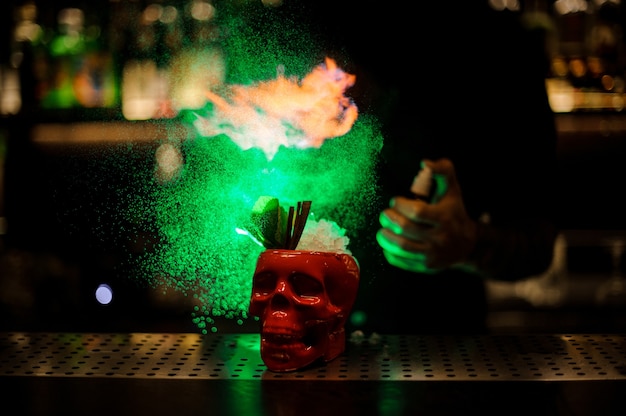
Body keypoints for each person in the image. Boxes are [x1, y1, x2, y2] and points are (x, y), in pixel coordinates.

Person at [295, 0, 559, 334]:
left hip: (435, 342)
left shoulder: (502, 49)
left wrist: (469, 244)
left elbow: (537, 244)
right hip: (297, 332)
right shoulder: (303, 21)